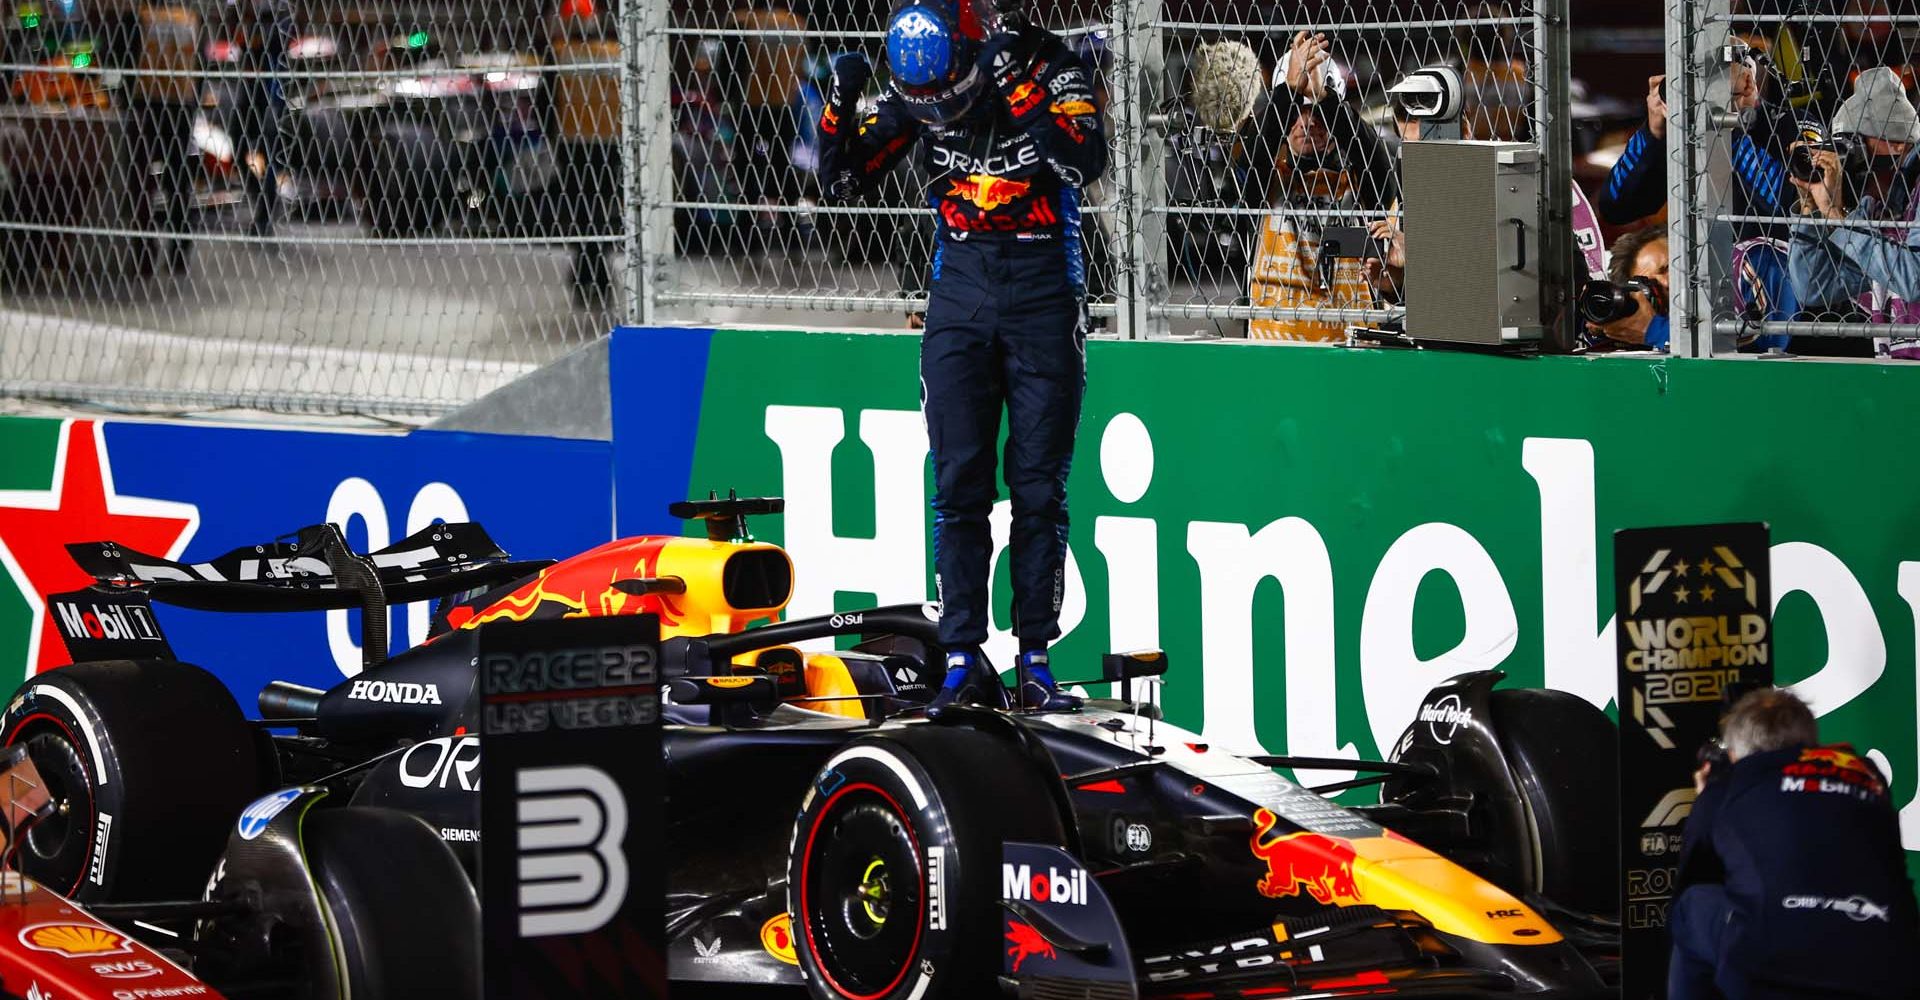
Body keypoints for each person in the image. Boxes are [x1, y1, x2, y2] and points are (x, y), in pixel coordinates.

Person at [815, 0, 1107, 714]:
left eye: (951, 97)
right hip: (959, 296)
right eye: (927, 105)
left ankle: (1036, 660)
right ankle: (959, 657)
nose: (940, 113)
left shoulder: (1050, 65)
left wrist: (1012, 83)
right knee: (960, 487)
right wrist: (838, 106)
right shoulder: (922, 90)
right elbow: (841, 184)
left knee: (1038, 490)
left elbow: (1083, 160)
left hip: (1044, 293)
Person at [1669, 687, 1917, 999]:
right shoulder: (1865, 773)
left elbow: (1693, 872)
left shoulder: (1730, 786)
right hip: (1893, 971)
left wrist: (1708, 798)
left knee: (1689, 907)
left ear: (1735, 753)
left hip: (1772, 970)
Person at [1240, 31, 1397, 342]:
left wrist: (1324, 99)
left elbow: (1376, 163)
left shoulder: (1357, 171)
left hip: (1351, 339)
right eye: (1298, 111)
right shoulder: (1266, 173)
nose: (1307, 121)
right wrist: (1289, 93)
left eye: (1317, 112)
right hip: (1277, 340)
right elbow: (1252, 156)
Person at [1788, 67, 1920, 358]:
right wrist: (1811, 208)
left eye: (1858, 143)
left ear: (1898, 144)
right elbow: (1814, 288)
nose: (1847, 159)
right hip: (1898, 369)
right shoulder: (1875, 203)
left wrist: (1837, 217)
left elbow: (1914, 279)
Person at [1597, 46, 1795, 237]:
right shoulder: (1682, 133)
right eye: (1692, 79)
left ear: (1747, 82)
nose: (1698, 92)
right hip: (1691, 260)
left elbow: (1793, 205)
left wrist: (1724, 130)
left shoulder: (1788, 123)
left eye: (1710, 79)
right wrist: (1653, 133)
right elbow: (1614, 208)